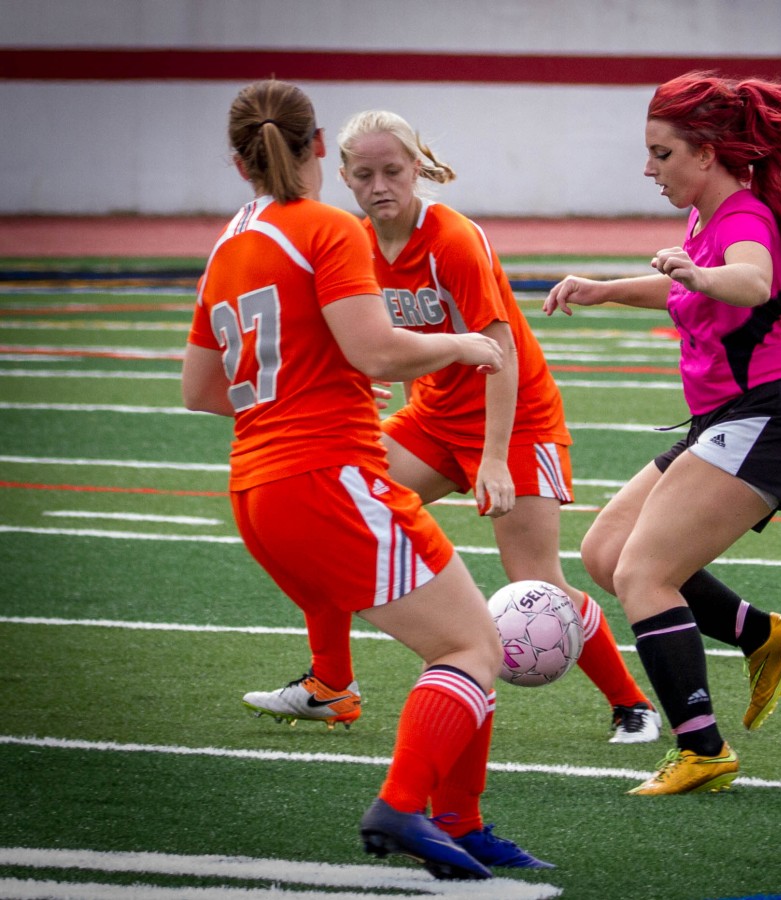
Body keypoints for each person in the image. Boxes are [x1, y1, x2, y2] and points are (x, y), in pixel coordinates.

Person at [182, 78, 550, 879]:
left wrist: (315, 378)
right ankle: (404, 804)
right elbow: (378, 351)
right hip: (326, 474)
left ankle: (460, 823)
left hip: (255, 486)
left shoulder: (230, 238)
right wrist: (460, 346)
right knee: (471, 645)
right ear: (321, 149)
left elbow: (201, 390)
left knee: (461, 640)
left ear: (239, 162)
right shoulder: (327, 227)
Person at [242, 108, 661, 744]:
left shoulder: (452, 240)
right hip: (436, 417)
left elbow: (501, 352)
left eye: (392, 171)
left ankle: (632, 705)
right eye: (364, 175)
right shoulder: (356, 242)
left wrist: (492, 459)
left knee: (536, 582)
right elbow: (395, 341)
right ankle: (331, 686)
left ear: (417, 167)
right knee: (331, 519)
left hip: (516, 421)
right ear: (344, 177)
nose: (380, 186)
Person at [543, 70, 781, 795]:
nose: (649, 168)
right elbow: (689, 282)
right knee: (605, 553)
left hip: (768, 421)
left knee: (643, 574)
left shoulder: (744, 219)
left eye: (661, 153)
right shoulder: (707, 217)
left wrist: (698, 273)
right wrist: (606, 290)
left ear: (707, 152)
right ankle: (761, 634)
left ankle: (702, 751)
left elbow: (747, 280)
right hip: (727, 419)